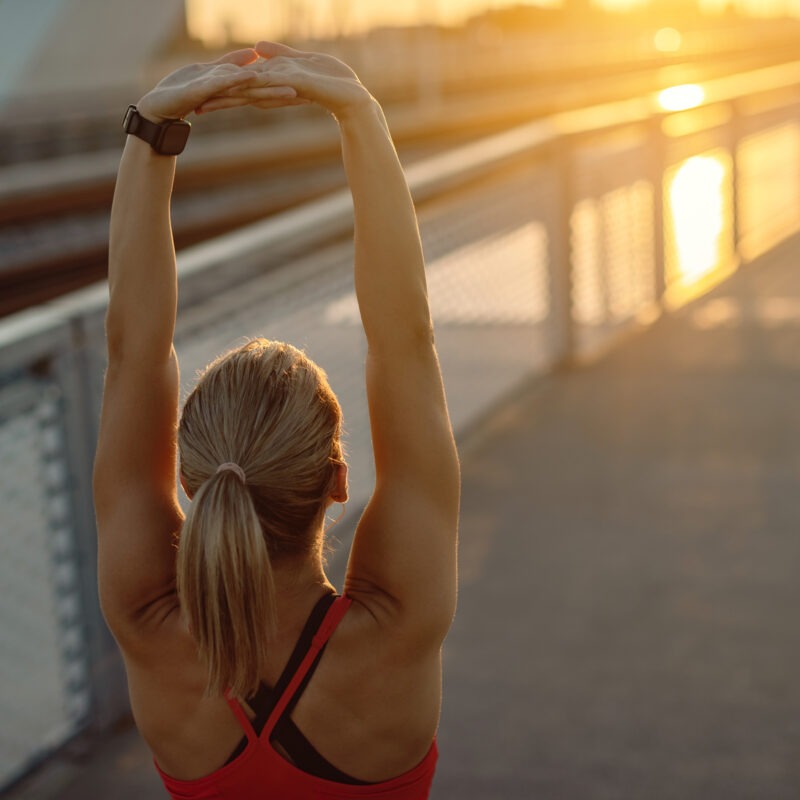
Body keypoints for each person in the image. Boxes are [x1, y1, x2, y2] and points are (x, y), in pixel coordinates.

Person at [92, 42, 460, 799]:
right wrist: (359, 112)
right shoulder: (397, 627)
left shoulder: (149, 624)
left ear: (188, 483)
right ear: (337, 480)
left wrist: (151, 131)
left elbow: (134, 356)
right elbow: (406, 343)